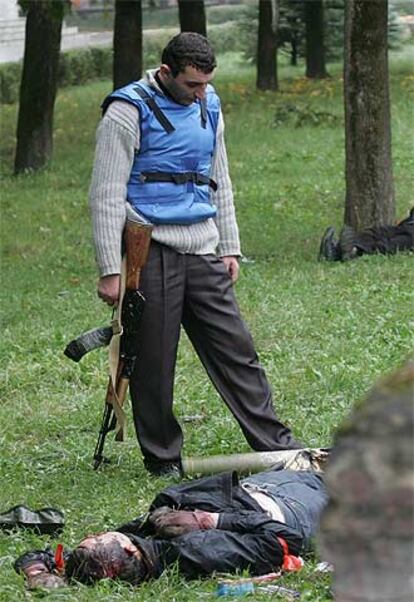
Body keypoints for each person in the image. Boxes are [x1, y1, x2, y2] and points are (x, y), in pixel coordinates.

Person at [89, 32, 300, 477]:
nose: (200, 93)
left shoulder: (210, 105)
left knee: (237, 351)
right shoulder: (127, 111)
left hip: (202, 247)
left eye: (206, 84)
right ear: (166, 73)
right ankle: (163, 457)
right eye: (192, 85)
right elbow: (106, 193)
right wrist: (111, 269)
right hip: (152, 251)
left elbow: (217, 178)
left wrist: (230, 246)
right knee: (154, 361)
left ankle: (278, 448)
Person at [15, 466, 328, 588]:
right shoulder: (196, 551)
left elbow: (38, 554)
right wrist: (211, 520)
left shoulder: (126, 549)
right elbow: (284, 538)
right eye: (99, 536)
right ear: (126, 549)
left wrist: (40, 573)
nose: (95, 533)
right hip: (298, 507)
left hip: (255, 489)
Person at [318, 207, 414, 262]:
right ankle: (338, 250)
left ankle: (354, 251)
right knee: (376, 232)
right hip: (407, 226)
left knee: (393, 244)